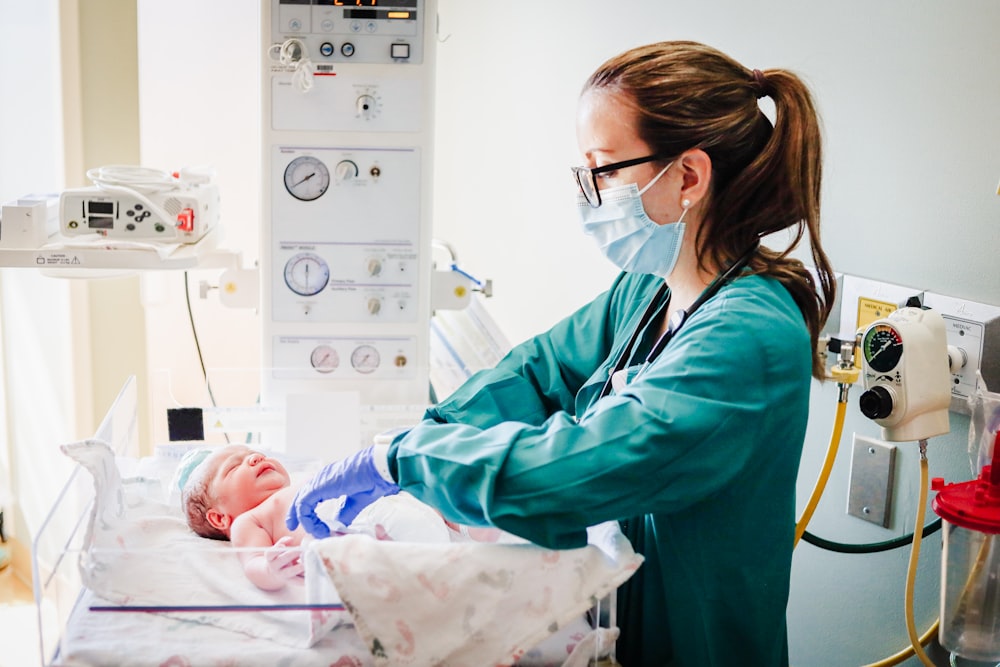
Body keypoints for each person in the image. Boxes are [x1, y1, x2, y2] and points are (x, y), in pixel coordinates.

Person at [287, 40, 836, 667]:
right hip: (614, 623)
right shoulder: (648, 292)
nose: (589, 194)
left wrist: (399, 459)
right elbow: (538, 372)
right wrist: (426, 432)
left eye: (602, 170)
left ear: (688, 175)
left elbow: (572, 469)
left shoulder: (749, 339)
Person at [178, 445, 509, 590]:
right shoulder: (251, 521)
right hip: (360, 534)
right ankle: (459, 542)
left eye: (253, 454)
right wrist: (272, 568)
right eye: (234, 466)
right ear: (220, 517)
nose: (253, 458)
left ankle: (472, 525)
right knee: (405, 540)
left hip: (399, 506)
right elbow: (253, 565)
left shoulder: (306, 477)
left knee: (433, 498)